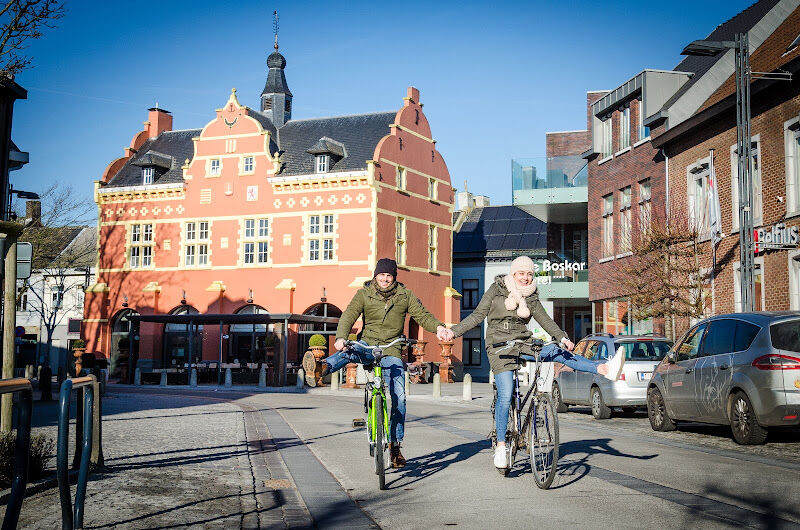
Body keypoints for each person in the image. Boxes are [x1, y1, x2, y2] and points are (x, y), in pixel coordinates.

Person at [450, 256, 625, 470]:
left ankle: (603, 368)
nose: (526, 278)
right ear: (513, 273)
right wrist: (453, 332)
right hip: (498, 346)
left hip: (523, 341)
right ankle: (501, 448)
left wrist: (562, 337)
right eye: (521, 273)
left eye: (530, 274)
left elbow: (544, 319)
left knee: (559, 353)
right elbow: (477, 316)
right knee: (505, 394)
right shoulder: (496, 290)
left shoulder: (531, 296)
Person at [303, 257, 453, 468]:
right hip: (368, 343)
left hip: (392, 348)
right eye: (381, 275)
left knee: (399, 397)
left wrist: (439, 328)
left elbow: (422, 315)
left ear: (394, 277)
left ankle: (395, 446)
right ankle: (321, 368)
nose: (384, 279)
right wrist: (340, 337)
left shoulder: (405, 294)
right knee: (349, 350)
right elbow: (348, 315)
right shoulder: (364, 293)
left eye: (388, 275)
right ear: (375, 276)